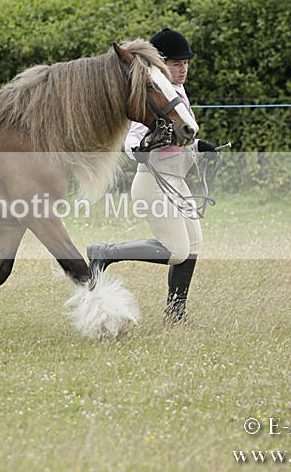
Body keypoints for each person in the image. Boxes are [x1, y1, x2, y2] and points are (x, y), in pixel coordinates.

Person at [88, 28, 218, 325]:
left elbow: (178, 139)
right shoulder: (150, 97)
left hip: (176, 180)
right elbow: (132, 145)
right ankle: (104, 253)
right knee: (176, 250)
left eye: (185, 62)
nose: (182, 68)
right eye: (175, 63)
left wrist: (199, 146)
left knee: (193, 243)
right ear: (158, 66)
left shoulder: (178, 94)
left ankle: (175, 315)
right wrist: (147, 145)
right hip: (154, 182)